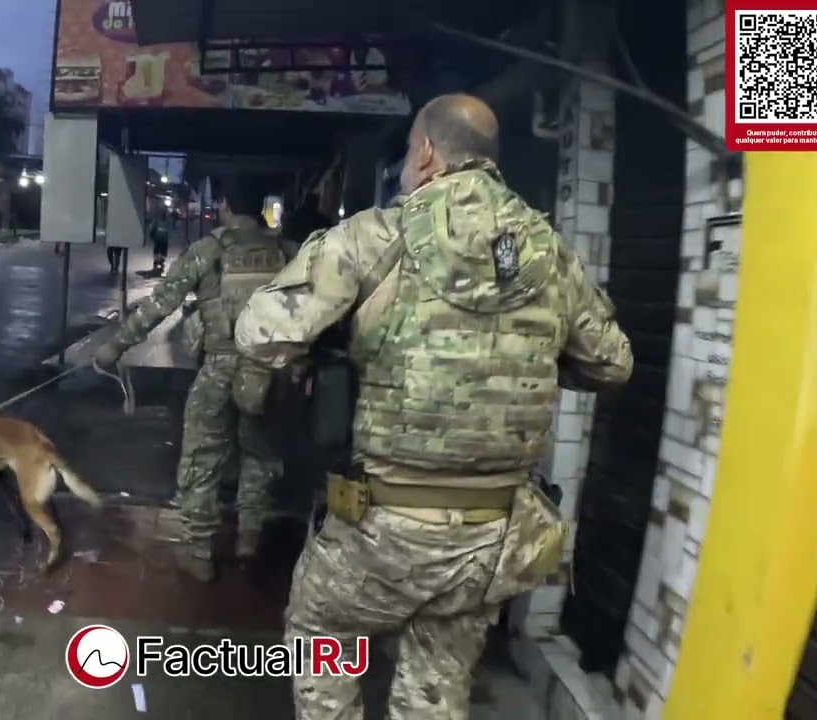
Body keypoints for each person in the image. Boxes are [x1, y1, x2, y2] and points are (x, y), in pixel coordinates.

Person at [234, 94, 634, 719]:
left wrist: (337, 334)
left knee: (320, 634)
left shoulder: (376, 235)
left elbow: (259, 332)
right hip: (493, 535)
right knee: (437, 680)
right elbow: (612, 362)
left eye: (405, 158)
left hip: (382, 528)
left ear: (424, 152)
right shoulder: (548, 252)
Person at [92, 180, 299, 582]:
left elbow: (158, 306)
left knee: (202, 460)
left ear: (224, 205)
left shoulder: (207, 251)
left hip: (219, 371)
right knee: (260, 453)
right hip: (269, 371)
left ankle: (200, 552)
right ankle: (249, 538)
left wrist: (114, 348)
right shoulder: (287, 252)